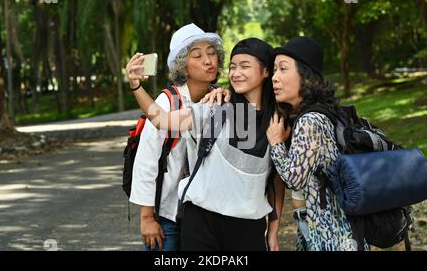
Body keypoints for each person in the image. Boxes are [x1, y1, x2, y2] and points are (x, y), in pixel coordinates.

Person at [126, 37, 285, 251]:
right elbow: (162, 120)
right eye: (233, 67)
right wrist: (136, 86)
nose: (236, 72)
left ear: (266, 71)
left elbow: (276, 180)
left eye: (245, 66)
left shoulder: (277, 121)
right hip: (201, 223)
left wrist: (273, 231)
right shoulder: (215, 107)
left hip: (248, 228)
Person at [128, 23, 225, 251]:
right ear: (183, 67)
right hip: (167, 214)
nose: (208, 60)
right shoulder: (167, 103)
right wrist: (147, 218)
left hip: (204, 214)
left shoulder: (218, 99)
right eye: (197, 55)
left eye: (211, 53)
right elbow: (146, 160)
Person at [266, 36, 361, 251]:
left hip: (331, 231)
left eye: (283, 69)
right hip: (329, 225)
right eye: (273, 70)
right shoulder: (322, 112)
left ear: (306, 76)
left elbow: (293, 179)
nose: (274, 77)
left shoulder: (310, 121)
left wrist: (275, 143)